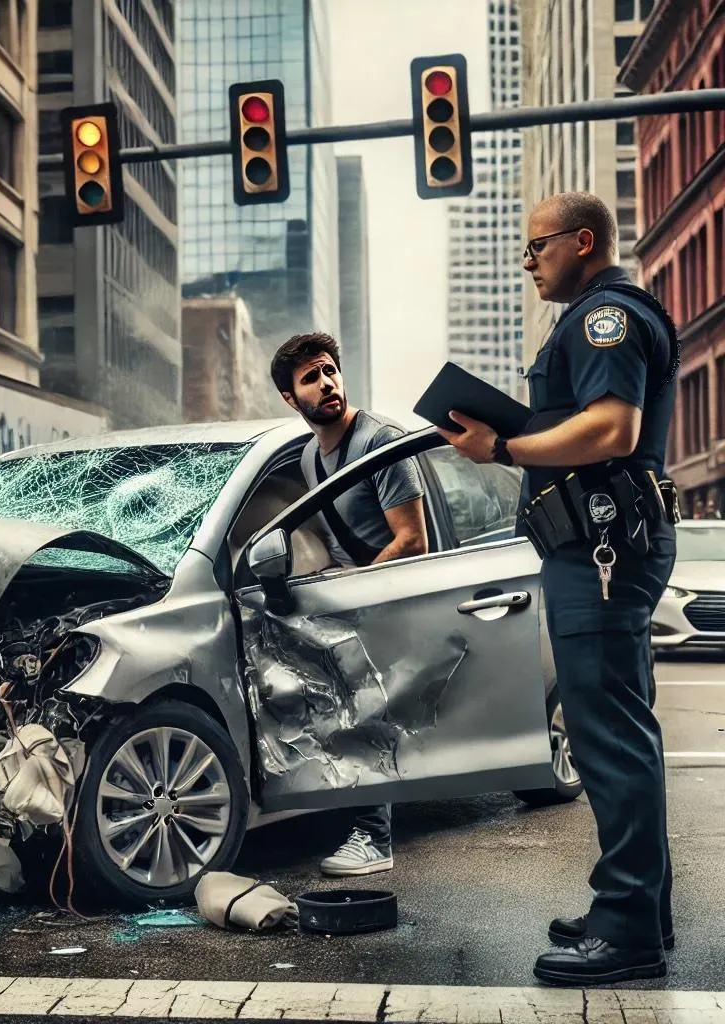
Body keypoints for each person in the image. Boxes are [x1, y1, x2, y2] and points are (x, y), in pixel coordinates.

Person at [437, 192, 679, 986]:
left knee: (608, 741)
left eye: (538, 246)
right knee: (622, 734)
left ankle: (627, 934)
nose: (527, 261)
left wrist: (503, 443)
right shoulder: (604, 315)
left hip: (603, 547)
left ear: (584, 241)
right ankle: (637, 909)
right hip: (600, 545)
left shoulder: (604, 318)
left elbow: (614, 429)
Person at [269, 332, 429, 877]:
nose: (328, 383)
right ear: (291, 399)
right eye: (311, 377)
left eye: (330, 370)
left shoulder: (379, 440)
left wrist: (355, 588)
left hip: (395, 595)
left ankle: (375, 837)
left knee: (364, 708)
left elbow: (412, 540)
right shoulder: (313, 458)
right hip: (352, 600)